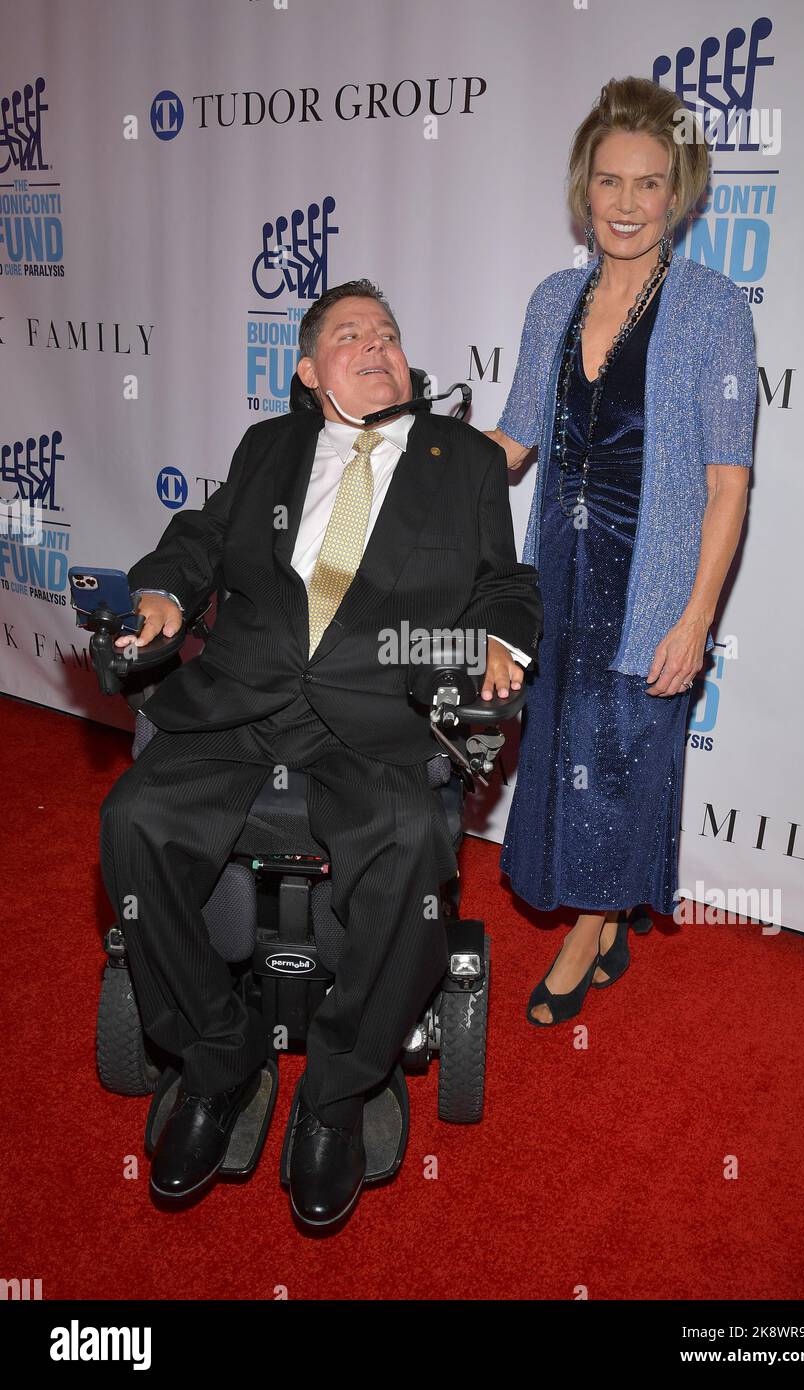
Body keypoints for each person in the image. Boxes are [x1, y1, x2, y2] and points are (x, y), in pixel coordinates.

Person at [99, 279, 542, 1225]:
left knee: (411, 845)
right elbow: (200, 541)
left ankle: (339, 1093)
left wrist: (501, 638)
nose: (376, 345)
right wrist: (165, 597)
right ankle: (218, 1064)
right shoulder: (268, 446)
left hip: (378, 710)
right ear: (309, 371)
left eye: (387, 332)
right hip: (242, 706)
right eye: (350, 335)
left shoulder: (459, 458)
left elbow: (504, 582)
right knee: (134, 819)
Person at [486, 77, 758, 1025]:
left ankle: (590, 928)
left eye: (649, 184)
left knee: (627, 754)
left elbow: (729, 481)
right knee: (563, 742)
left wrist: (696, 618)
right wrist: (410, 454)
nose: (628, 204)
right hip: (557, 564)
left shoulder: (713, 308)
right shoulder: (553, 296)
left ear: (678, 194)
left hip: (651, 581)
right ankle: (605, 916)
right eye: (610, 182)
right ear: (583, 189)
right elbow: (513, 440)